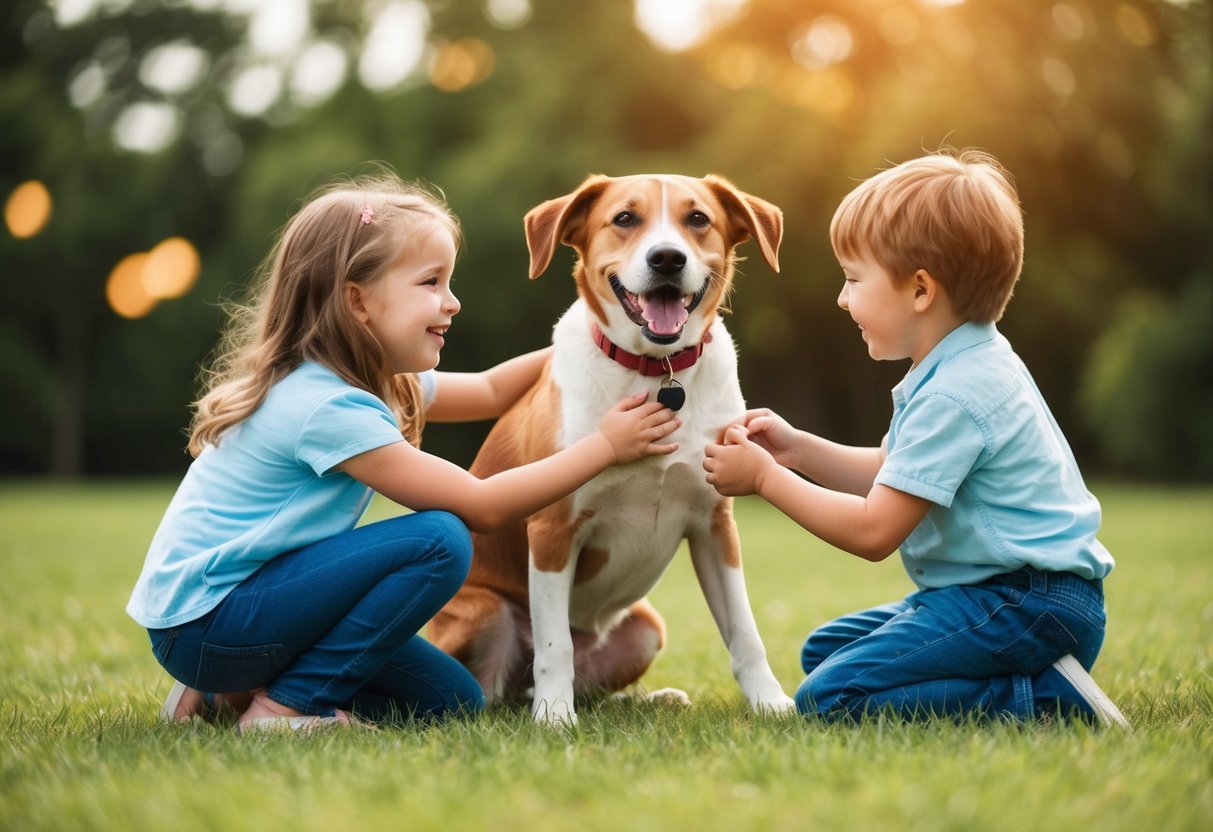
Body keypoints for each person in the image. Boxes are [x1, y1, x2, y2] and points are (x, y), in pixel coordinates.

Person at [127, 173, 680, 733]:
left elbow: (491, 389)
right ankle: (283, 707)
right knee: (440, 540)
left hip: (235, 615)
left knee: (450, 698)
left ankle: (228, 693)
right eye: (432, 283)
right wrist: (606, 446)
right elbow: (483, 507)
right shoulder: (325, 406)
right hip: (211, 623)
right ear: (358, 302)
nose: (453, 302)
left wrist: (605, 339)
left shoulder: (378, 383)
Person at [703, 150, 1128, 727]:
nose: (842, 297)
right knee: (822, 653)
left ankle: (1045, 699)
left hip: (1025, 605)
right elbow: (892, 469)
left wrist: (765, 478)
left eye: (853, 279)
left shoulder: (956, 393)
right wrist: (798, 449)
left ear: (921, 290)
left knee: (830, 697)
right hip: (1010, 598)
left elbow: (875, 530)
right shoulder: (965, 363)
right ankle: (1028, 675)